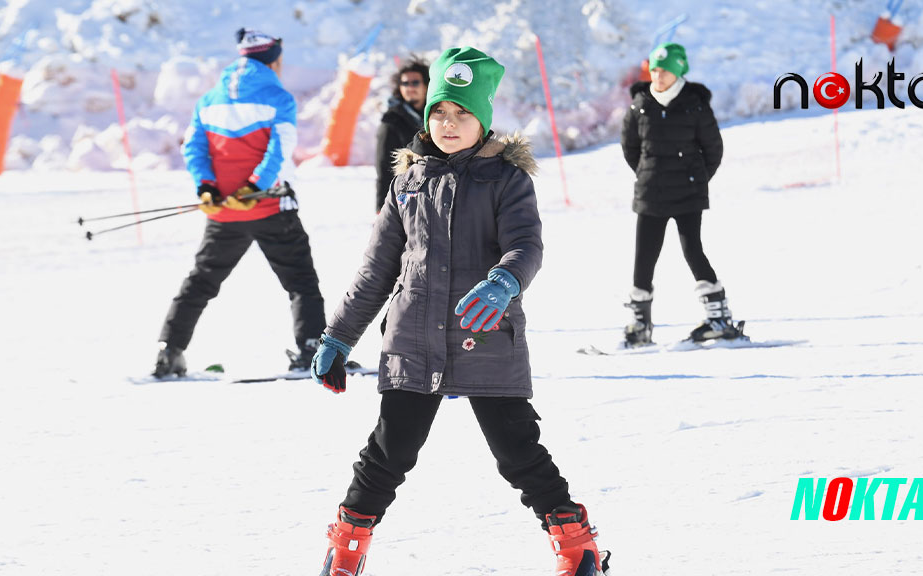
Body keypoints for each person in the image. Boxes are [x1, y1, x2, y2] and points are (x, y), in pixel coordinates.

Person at [310, 47, 609, 576]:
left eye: (462, 114)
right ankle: (348, 547)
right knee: (389, 452)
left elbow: (526, 246)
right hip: (412, 340)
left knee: (517, 452)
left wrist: (504, 282)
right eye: (440, 112)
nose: (448, 124)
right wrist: (338, 336)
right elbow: (376, 270)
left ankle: (576, 545)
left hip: (485, 335)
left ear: (483, 121)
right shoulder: (407, 183)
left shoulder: (507, 180)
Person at [152, 28, 326, 377]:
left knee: (201, 281)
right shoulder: (278, 97)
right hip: (269, 205)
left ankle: (169, 351)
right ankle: (312, 350)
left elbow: (193, 147)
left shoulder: (209, 99)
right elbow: (279, 150)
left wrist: (206, 186)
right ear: (272, 60)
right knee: (301, 282)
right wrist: (254, 186)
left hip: (224, 211)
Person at [620, 42, 742, 346]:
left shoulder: (694, 103)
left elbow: (713, 150)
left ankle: (718, 318)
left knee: (693, 251)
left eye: (664, 70)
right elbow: (630, 147)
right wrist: (647, 173)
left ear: (678, 72)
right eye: (654, 70)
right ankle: (640, 326)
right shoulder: (640, 103)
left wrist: (695, 179)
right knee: (644, 257)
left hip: (688, 193)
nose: (658, 76)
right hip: (650, 193)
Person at [374, 57, 429, 212]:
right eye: (405, 83)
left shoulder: (437, 116)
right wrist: (381, 206)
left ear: (426, 85)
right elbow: (384, 167)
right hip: (404, 199)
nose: (409, 87)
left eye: (415, 82)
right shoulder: (391, 121)